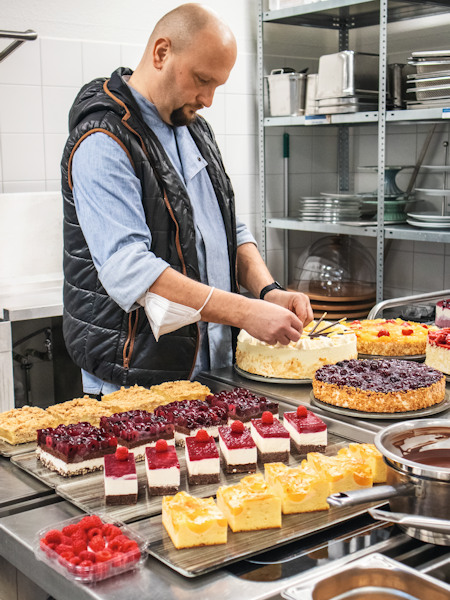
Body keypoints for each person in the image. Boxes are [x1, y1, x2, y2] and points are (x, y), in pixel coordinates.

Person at [61, 2, 313, 395]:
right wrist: (245, 311)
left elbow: (226, 229)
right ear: (162, 53)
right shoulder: (104, 138)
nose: (209, 99)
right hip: (137, 381)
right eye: (202, 79)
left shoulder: (193, 128)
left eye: (217, 85)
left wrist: (268, 291)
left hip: (211, 370)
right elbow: (129, 268)